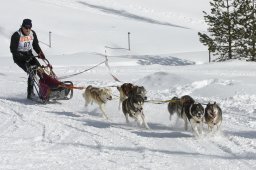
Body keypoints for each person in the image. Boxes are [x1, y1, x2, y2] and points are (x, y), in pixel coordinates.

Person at [10, 19, 46, 99]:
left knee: (40, 71)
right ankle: (30, 94)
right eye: (26, 27)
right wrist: (23, 57)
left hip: (29, 54)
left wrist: (40, 53)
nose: (28, 29)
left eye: (29, 27)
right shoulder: (16, 35)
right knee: (32, 72)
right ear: (22, 27)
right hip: (19, 57)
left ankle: (46, 90)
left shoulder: (32, 33)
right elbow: (13, 50)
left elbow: (35, 45)